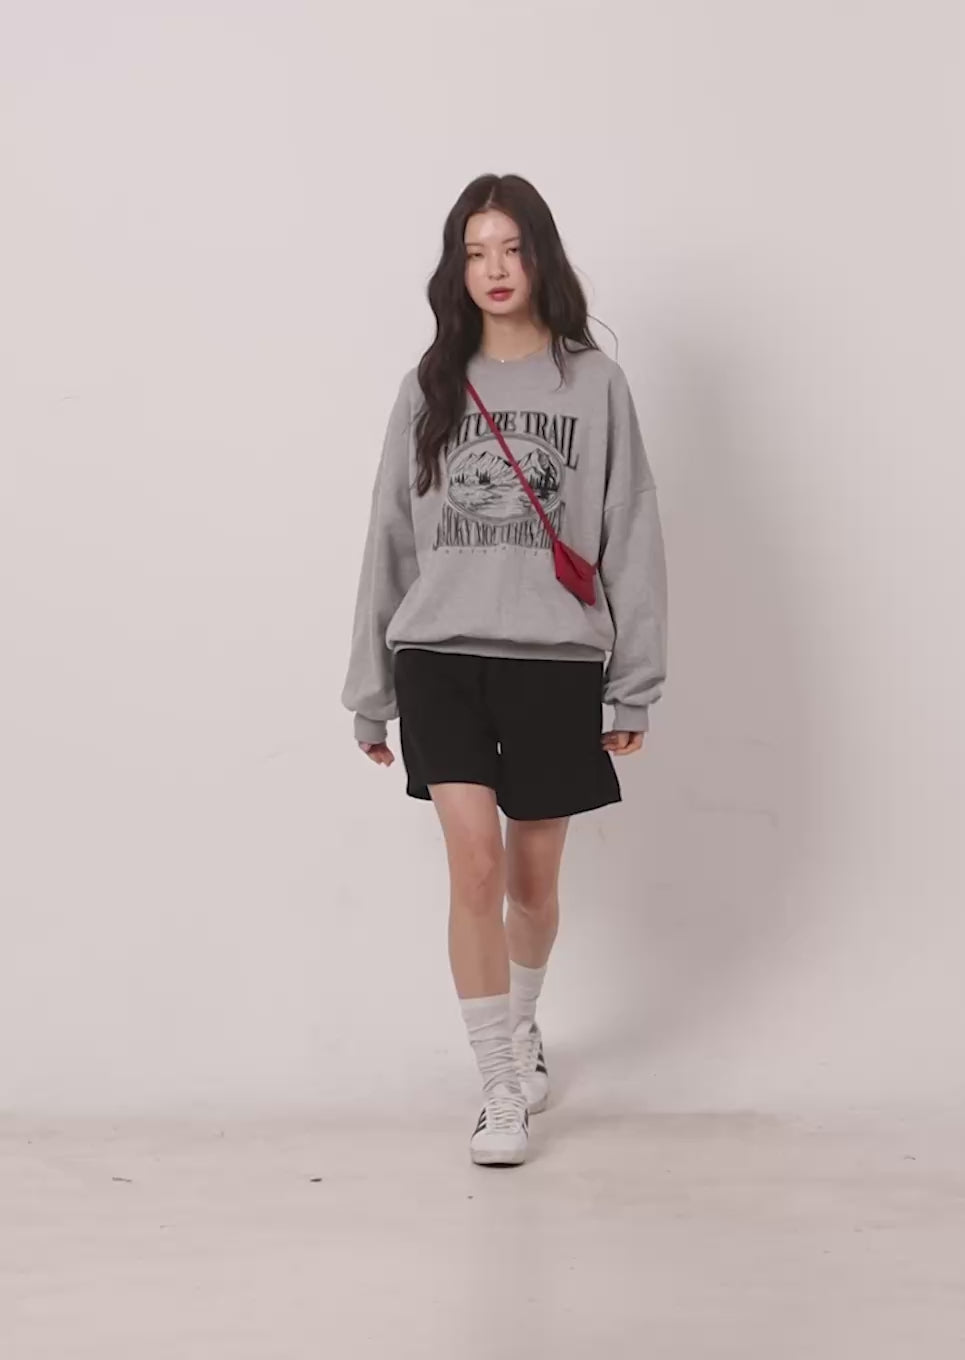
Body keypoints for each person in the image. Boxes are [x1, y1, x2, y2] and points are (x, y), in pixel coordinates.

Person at [341, 173, 667, 1167]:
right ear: (457, 265)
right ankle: (496, 1085)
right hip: (439, 656)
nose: (493, 268)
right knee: (474, 864)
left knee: (532, 882)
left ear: (540, 258)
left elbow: (630, 529)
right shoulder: (429, 385)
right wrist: (370, 689)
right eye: (475, 251)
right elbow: (390, 534)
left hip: (553, 663)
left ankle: (524, 1028)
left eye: (511, 248)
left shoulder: (593, 384)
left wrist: (634, 680)